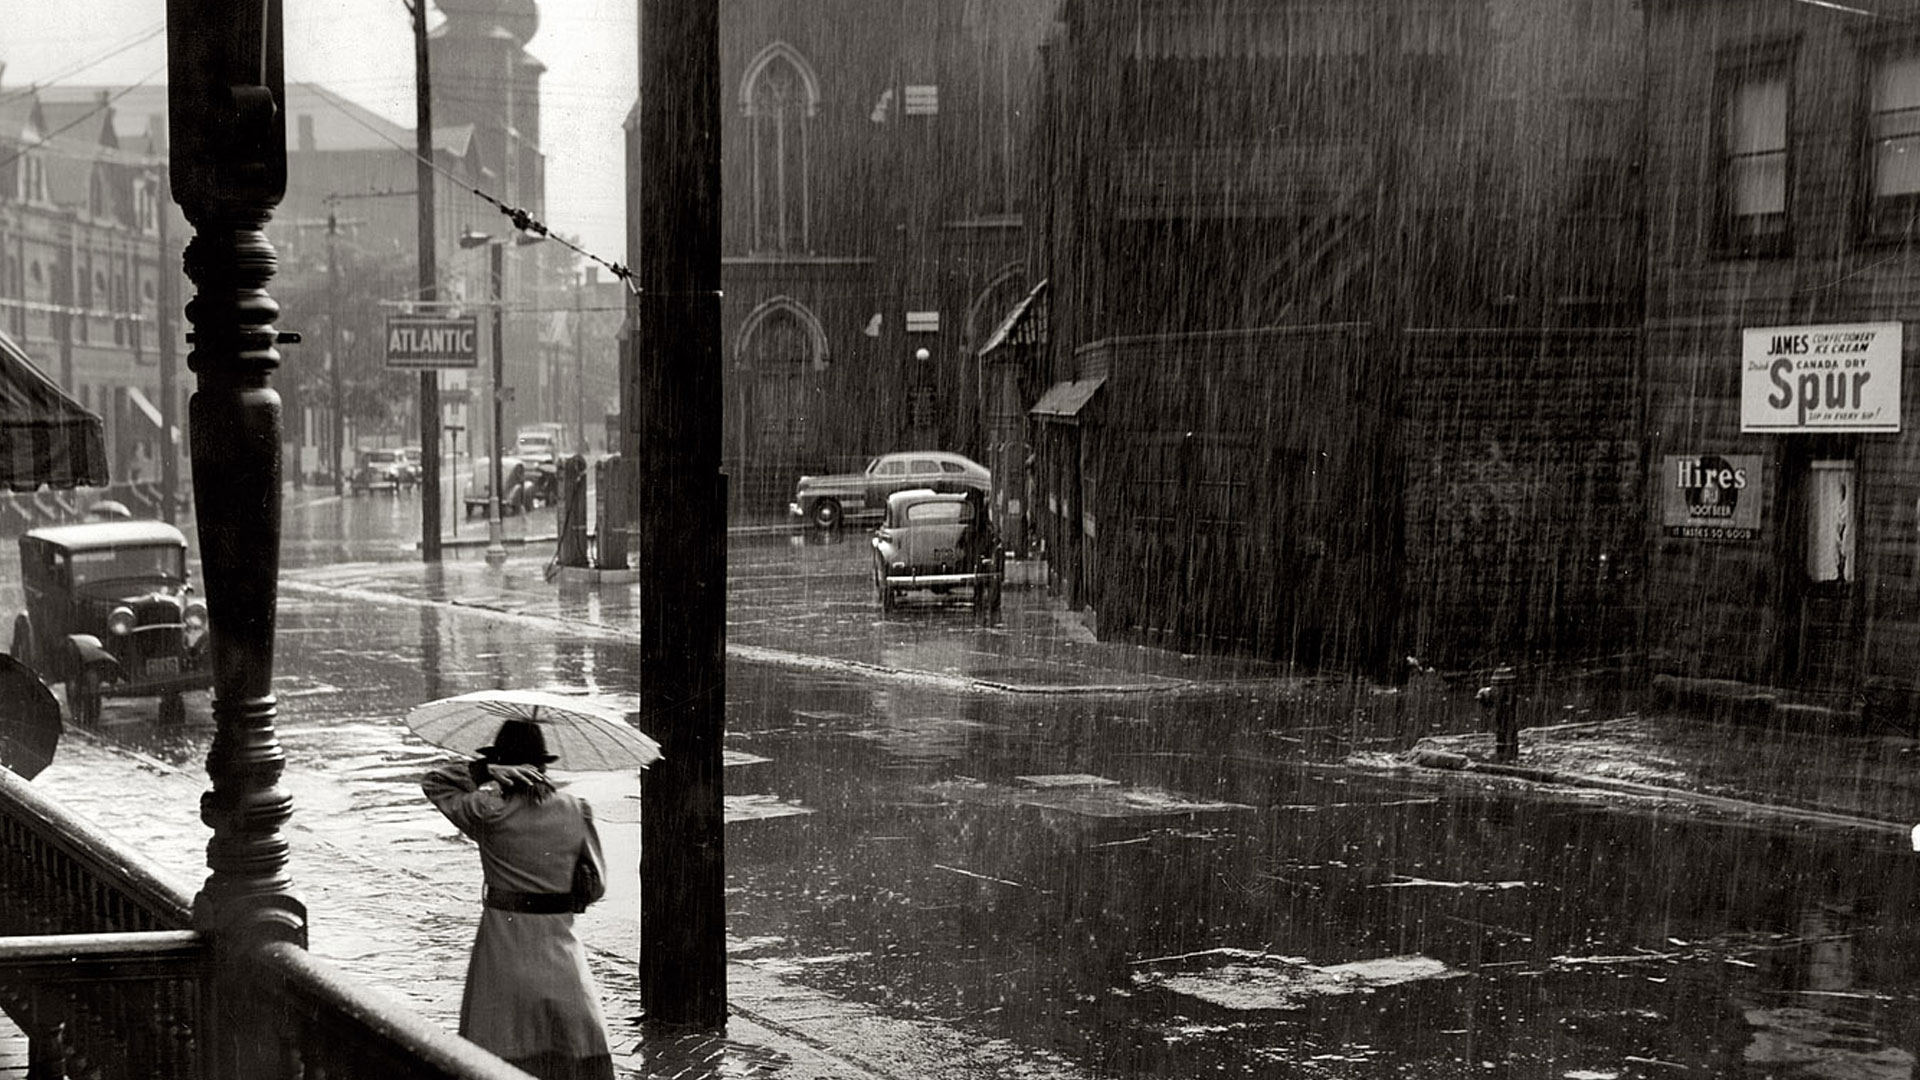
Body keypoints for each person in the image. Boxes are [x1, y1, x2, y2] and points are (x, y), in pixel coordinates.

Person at [423, 719, 614, 1080]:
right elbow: (596, 885)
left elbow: (434, 781)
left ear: (503, 764)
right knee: (573, 1053)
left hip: (501, 951)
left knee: (493, 1055)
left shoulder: (485, 812)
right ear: (543, 764)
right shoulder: (576, 809)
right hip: (561, 952)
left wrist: (484, 771)